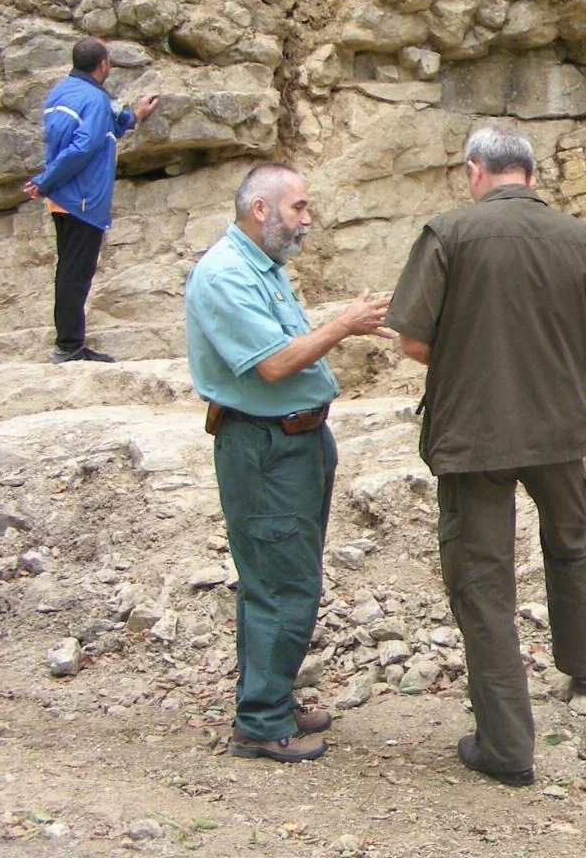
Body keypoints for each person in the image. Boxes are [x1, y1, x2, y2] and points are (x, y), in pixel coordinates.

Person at [387, 123, 586, 787]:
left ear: (474, 172)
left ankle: (507, 747)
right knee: (571, 543)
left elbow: (412, 343)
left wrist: (474, 349)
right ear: (532, 175)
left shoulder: (449, 234)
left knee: (484, 584)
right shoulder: (584, 240)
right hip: (560, 430)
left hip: (474, 436)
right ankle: (585, 666)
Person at [183, 164, 391, 763]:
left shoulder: (261, 268)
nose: (307, 220)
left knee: (278, 577)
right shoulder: (224, 274)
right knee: (282, 584)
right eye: (299, 207)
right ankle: (261, 721)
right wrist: (343, 326)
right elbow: (274, 365)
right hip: (265, 448)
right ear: (261, 211)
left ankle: (266, 697)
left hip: (293, 442)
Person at [22, 38, 160, 363]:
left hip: (63, 198)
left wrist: (135, 115)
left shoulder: (61, 92)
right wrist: (44, 181)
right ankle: (69, 347)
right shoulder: (96, 98)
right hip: (82, 200)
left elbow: (103, 127)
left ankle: (69, 343)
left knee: (69, 270)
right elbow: (83, 147)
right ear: (103, 65)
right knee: (75, 274)